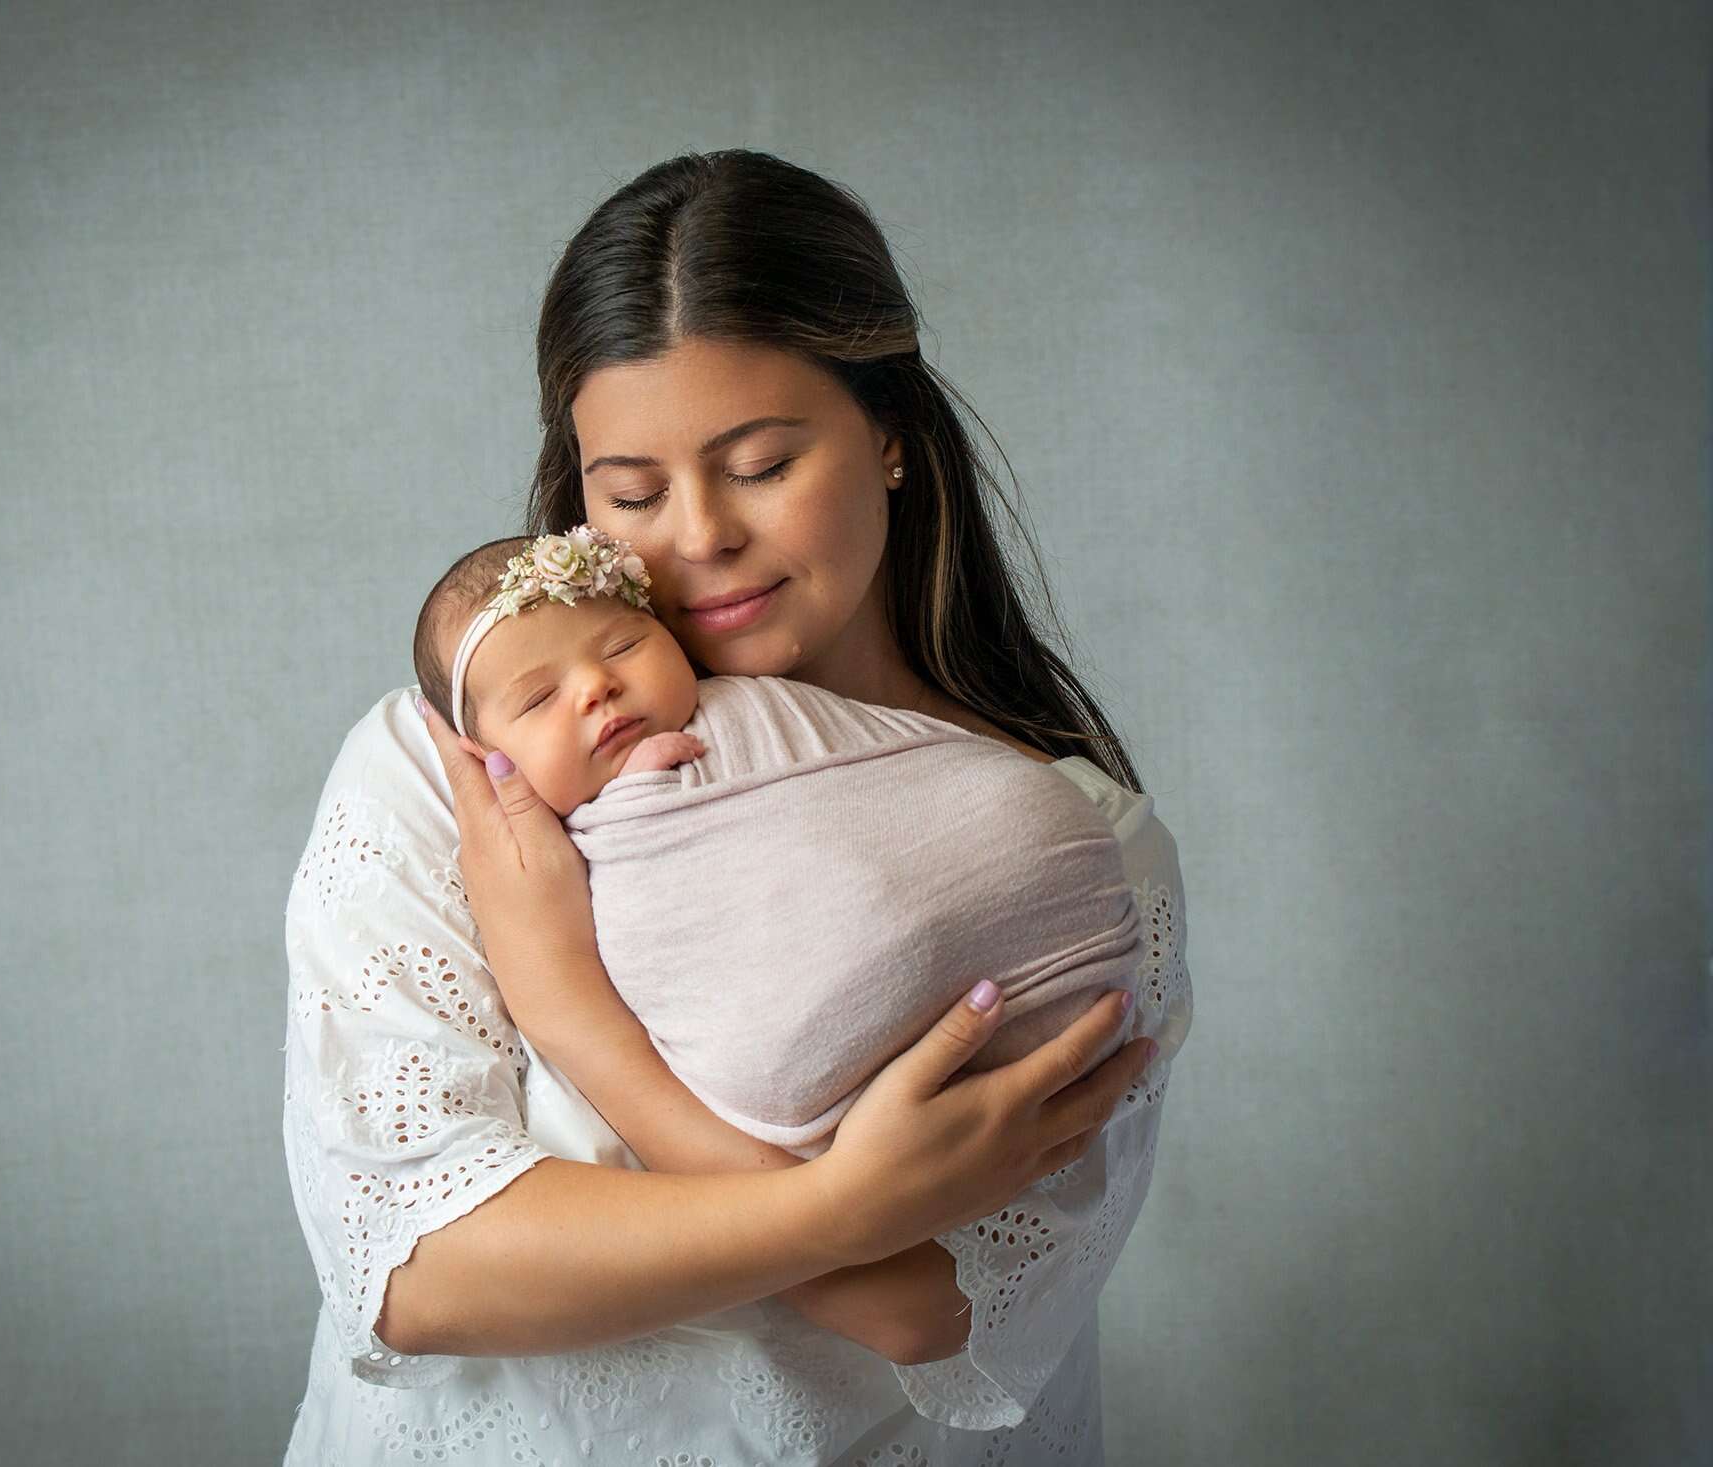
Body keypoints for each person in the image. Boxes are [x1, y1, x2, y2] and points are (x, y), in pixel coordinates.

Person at [281, 148, 1193, 1466]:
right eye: (632, 493)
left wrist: (568, 1008)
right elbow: (423, 1271)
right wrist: (845, 1203)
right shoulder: (465, 767)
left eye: (760, 463)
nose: (695, 536)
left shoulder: (1072, 845)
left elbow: (929, 1310)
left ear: (889, 436)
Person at [411, 523, 1167, 1160]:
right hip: (813, 1085)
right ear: (481, 754)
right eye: (540, 698)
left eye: (622, 646)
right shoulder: (473, 833)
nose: (595, 688)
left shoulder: (756, 708)